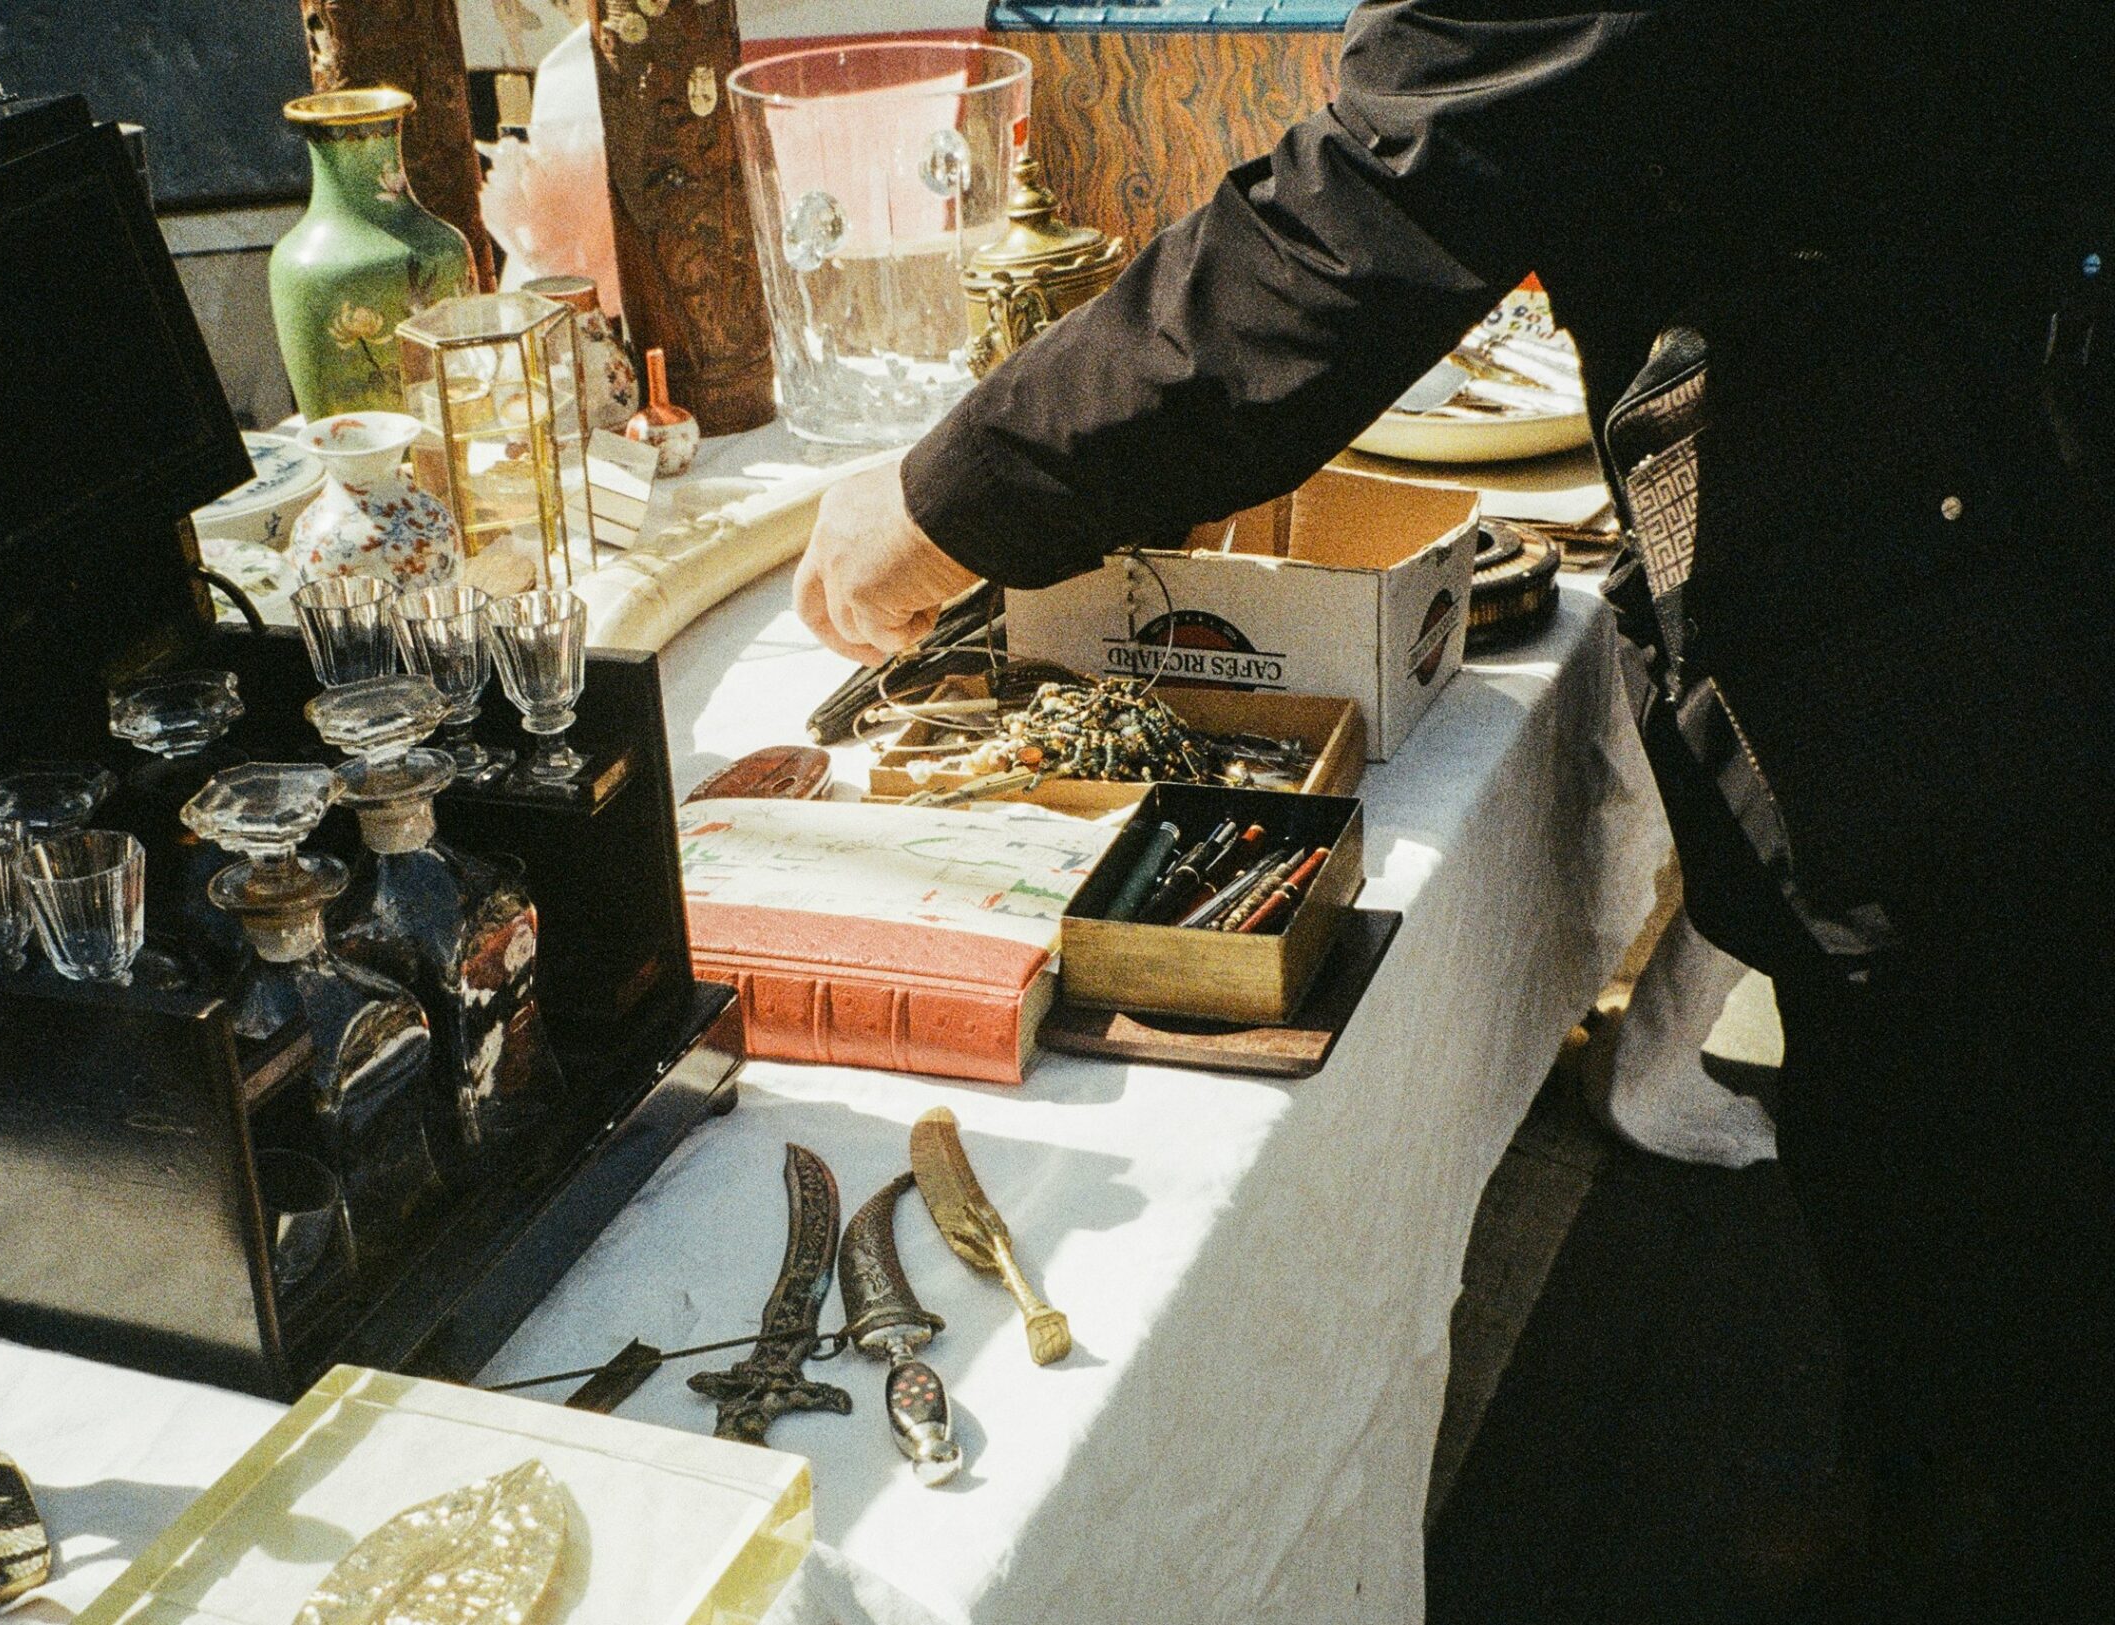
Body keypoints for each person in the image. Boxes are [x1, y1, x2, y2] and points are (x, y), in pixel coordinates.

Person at [795, 3, 2112, 1618]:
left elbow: (1358, 226)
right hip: (1961, 467)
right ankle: (1933, 1490)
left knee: (1986, 1143)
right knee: (1939, 1126)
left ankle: (1976, 1532)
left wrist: (942, 506)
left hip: (1971, 557)